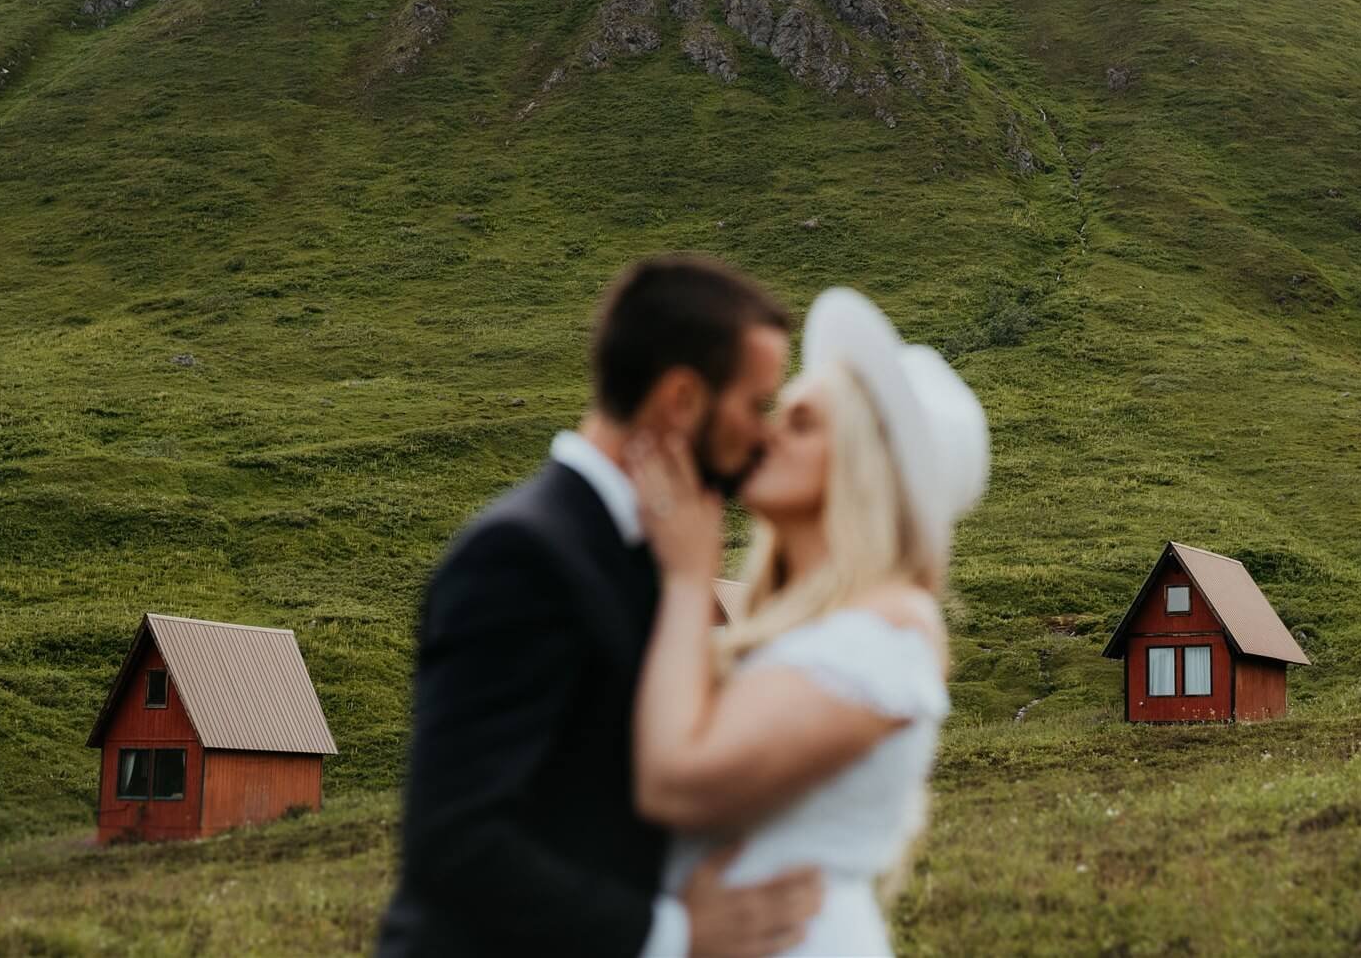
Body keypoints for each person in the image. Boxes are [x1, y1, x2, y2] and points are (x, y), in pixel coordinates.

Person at [375, 255, 823, 958]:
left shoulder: (665, 554)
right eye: (756, 404)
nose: (766, 435)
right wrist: (673, 934)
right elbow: (455, 843)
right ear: (680, 399)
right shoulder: (517, 556)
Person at [626, 286, 990, 957]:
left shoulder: (892, 624)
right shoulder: (804, 624)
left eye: (800, 423)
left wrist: (685, 579)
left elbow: (679, 780)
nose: (764, 433)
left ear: (863, 466)